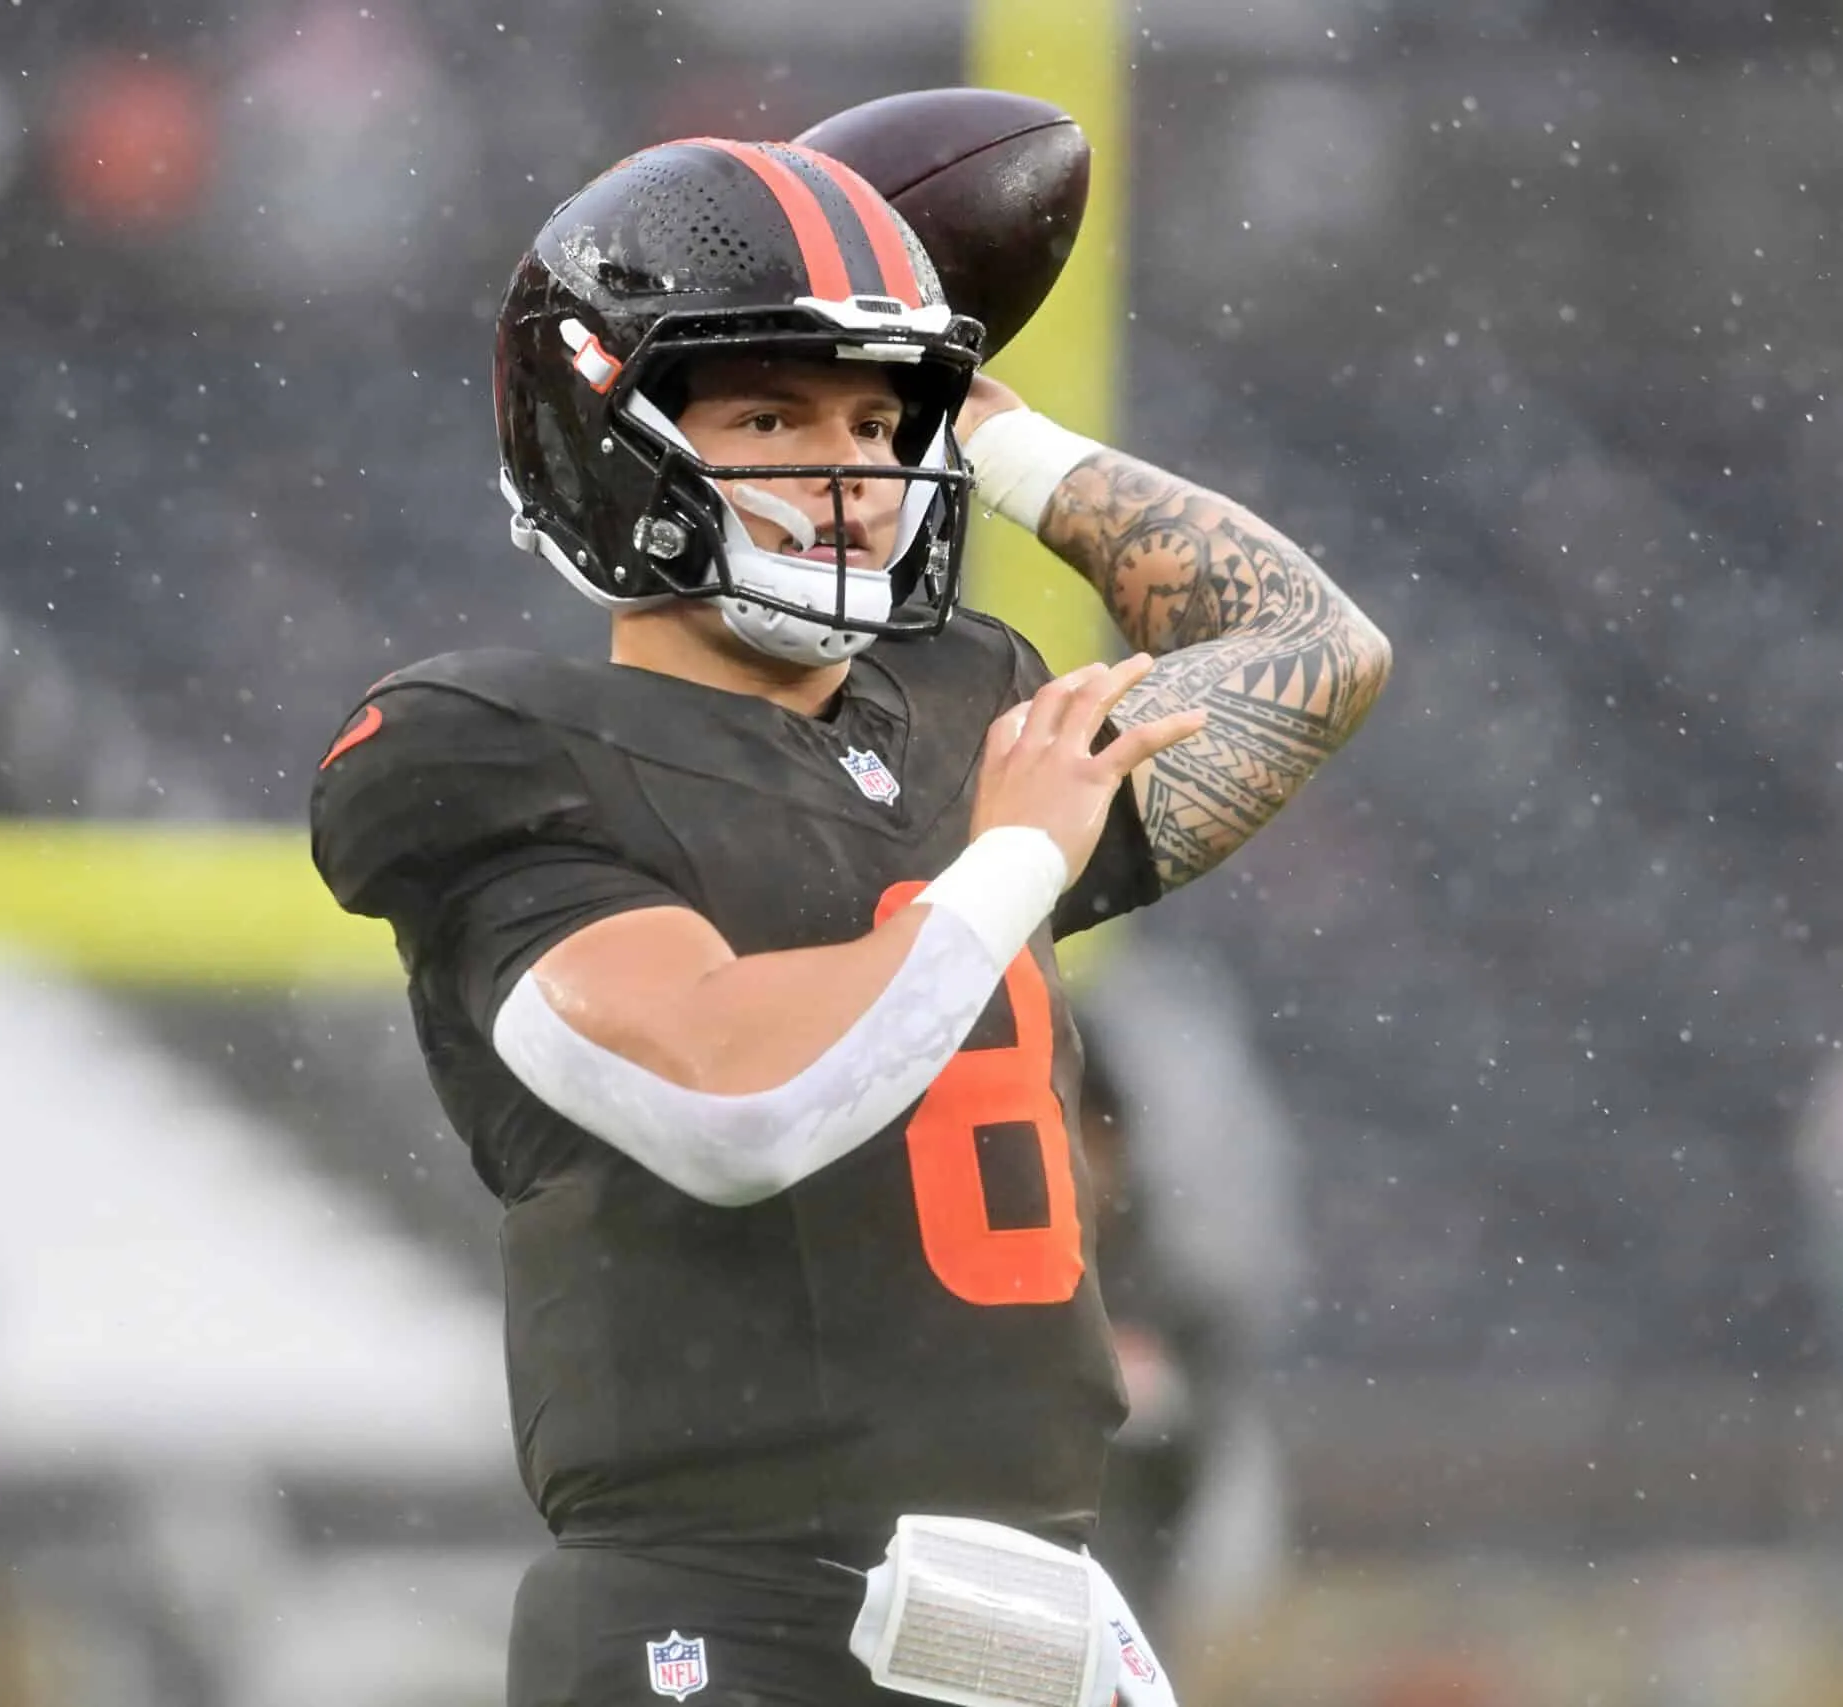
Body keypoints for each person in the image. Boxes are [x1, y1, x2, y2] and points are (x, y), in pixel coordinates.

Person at [310, 135, 1390, 1706]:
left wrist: (1000, 438)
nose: (846, 479)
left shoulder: (967, 712)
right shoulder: (500, 753)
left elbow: (1311, 645)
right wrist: (1012, 856)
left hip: (1044, 1603)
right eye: (769, 417)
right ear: (606, 440)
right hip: (729, 1609)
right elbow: (732, 1101)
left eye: (880, 426)